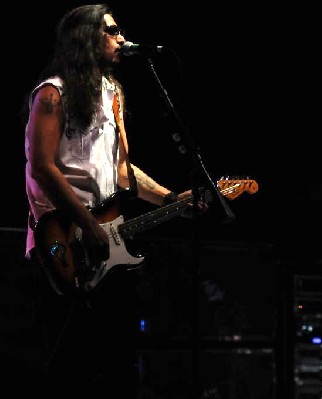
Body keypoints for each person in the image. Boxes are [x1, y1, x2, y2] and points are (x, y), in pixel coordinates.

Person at [22, 4, 202, 398]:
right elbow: (41, 167)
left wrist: (172, 199)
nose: (122, 39)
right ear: (85, 38)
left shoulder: (113, 94)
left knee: (116, 363)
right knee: (66, 362)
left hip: (106, 244)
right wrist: (87, 225)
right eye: (112, 31)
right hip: (63, 240)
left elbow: (122, 173)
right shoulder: (53, 94)